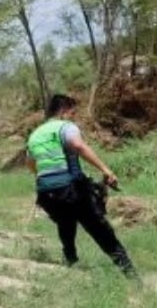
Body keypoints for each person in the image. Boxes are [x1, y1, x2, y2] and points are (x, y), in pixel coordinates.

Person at [26, 94, 136, 275]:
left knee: (65, 220)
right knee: (100, 228)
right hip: (70, 189)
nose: (73, 117)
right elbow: (78, 146)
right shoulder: (65, 127)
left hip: (46, 193)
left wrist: (47, 178)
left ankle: (70, 260)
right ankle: (131, 276)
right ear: (63, 111)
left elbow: (30, 163)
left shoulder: (35, 134)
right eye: (72, 113)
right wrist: (106, 170)